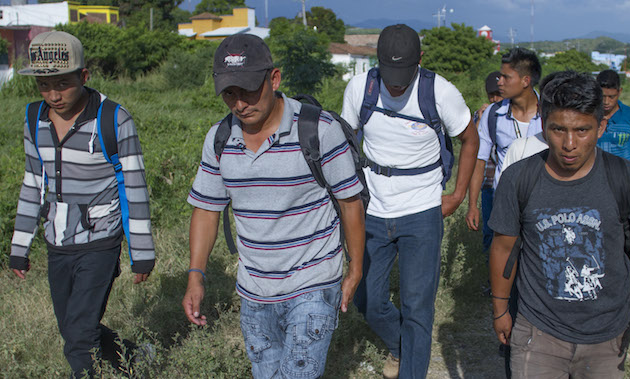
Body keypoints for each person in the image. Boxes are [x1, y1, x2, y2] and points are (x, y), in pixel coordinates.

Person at [181, 34, 365, 378]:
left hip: (313, 284)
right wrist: (196, 276)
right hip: (254, 291)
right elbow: (206, 209)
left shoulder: (319, 131)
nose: (239, 104)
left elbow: (350, 203)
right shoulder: (219, 139)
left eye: (249, 90)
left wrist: (354, 268)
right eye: (229, 93)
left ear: (274, 78)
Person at [488, 70, 630, 378]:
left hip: (607, 337)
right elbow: (503, 248)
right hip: (538, 331)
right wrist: (500, 310)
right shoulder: (519, 179)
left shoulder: (627, 179)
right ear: (543, 124)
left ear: (601, 126)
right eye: (558, 130)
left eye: (582, 130)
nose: (570, 143)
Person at [9, 31, 155, 377]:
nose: (54, 95)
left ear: (84, 77)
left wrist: (142, 252)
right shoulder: (34, 119)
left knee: (77, 338)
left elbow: (134, 185)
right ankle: (138, 359)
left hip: (100, 241)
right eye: (44, 85)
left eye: (63, 84)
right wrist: (20, 246)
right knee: (75, 327)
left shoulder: (114, 120)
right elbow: (33, 182)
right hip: (57, 241)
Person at [341, 24, 479, 379]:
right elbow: (344, 143)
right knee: (365, 297)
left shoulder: (440, 92)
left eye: (403, 75)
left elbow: (470, 139)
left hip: (421, 208)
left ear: (420, 59)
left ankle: (411, 370)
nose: (396, 84)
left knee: (417, 307)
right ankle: (402, 347)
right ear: (378, 61)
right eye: (389, 74)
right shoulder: (361, 88)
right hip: (371, 207)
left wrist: (458, 194)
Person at [466, 48, 542, 237]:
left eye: (506, 77)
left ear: (526, 81)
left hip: (543, 204)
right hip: (504, 203)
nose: (499, 82)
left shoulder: (551, 113)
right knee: (502, 258)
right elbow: (479, 160)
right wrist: (473, 205)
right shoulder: (493, 114)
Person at [474, 71, 503, 260]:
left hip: (506, 184)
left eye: (498, 94)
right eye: (491, 95)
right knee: (489, 230)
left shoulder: (510, 115)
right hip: (488, 183)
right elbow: (473, 147)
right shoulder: (483, 115)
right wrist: (480, 119)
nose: (494, 98)